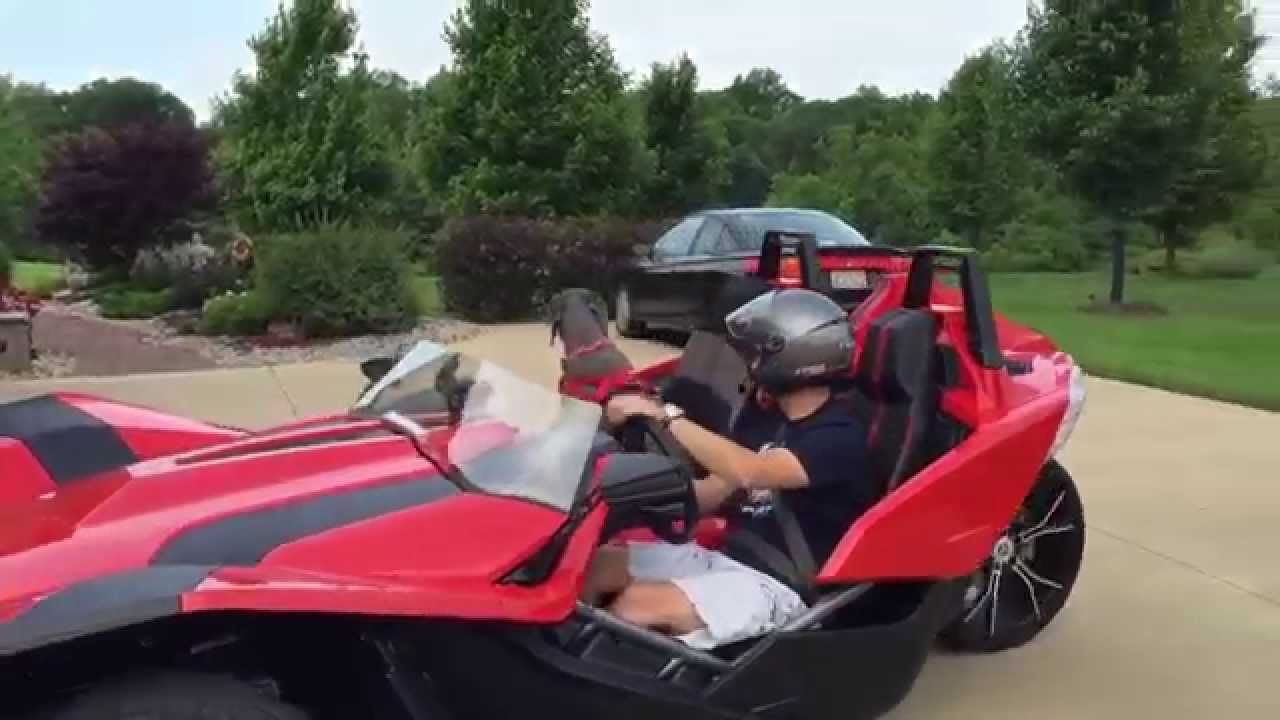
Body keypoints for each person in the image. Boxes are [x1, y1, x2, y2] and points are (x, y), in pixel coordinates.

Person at [584, 288, 875, 650]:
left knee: (635, 605)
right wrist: (617, 496)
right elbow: (712, 492)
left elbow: (751, 472)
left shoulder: (837, 437)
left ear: (793, 358)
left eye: (753, 355)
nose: (747, 364)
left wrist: (665, 416)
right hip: (724, 558)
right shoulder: (770, 422)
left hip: (777, 585)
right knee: (587, 567)